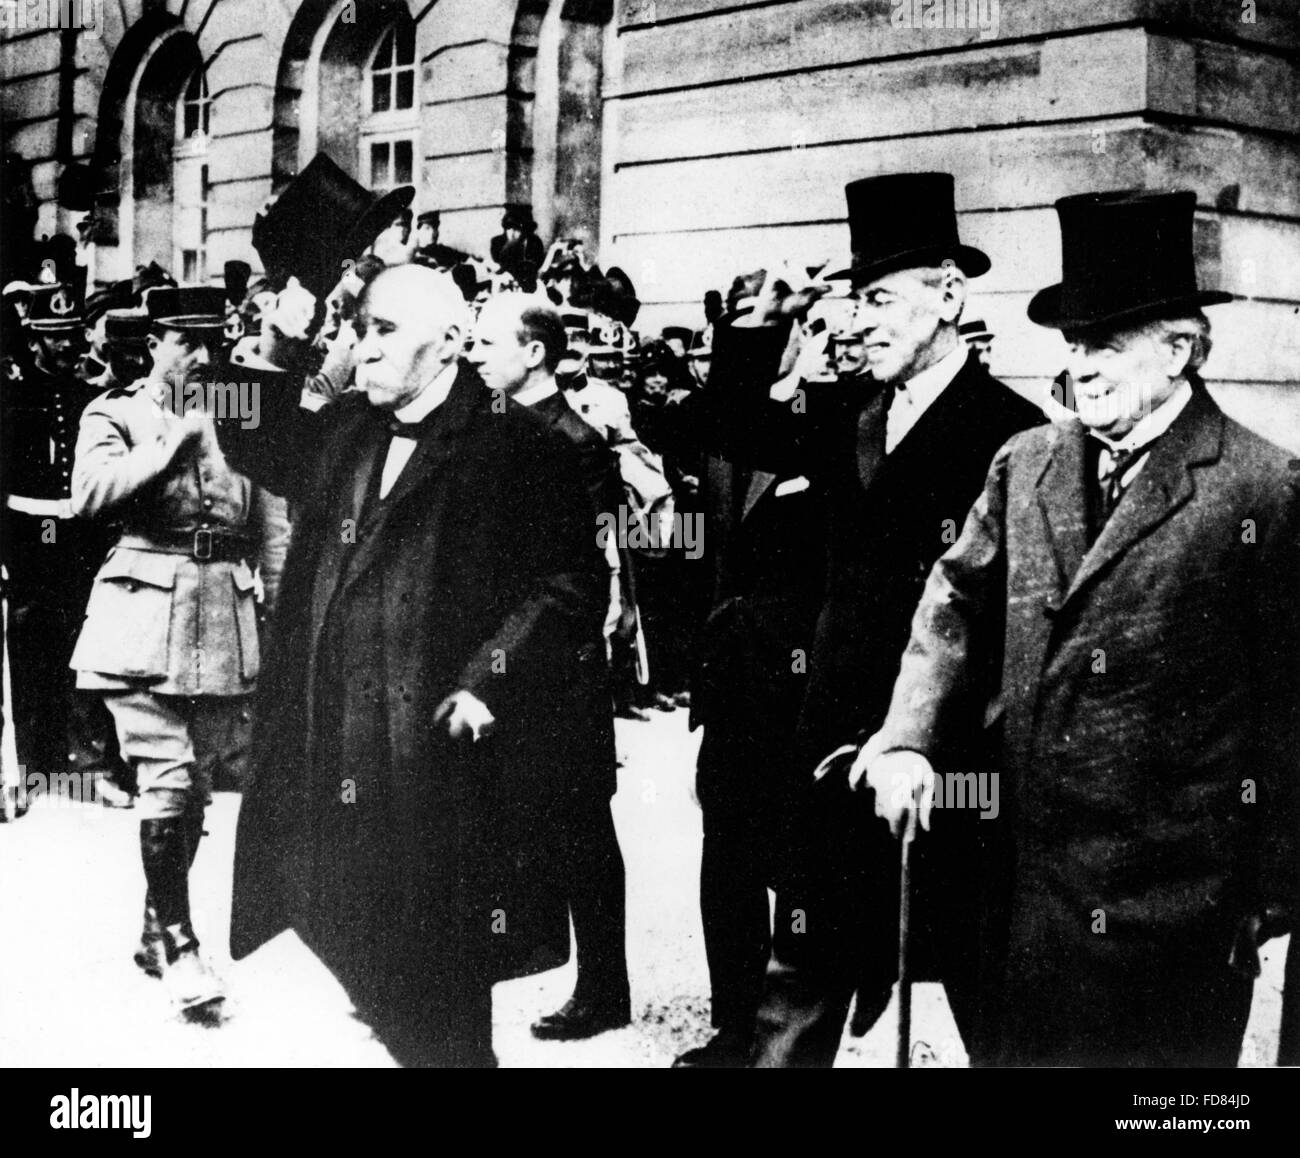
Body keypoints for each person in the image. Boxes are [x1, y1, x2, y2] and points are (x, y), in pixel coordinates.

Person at [857, 189, 1299, 1067]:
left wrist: (1267, 894)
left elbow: (1292, 709)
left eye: (1106, 342)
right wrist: (909, 737)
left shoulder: (1262, 489)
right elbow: (955, 603)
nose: (1080, 366)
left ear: (1181, 350)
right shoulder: (1027, 463)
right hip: (1025, 897)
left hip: (1177, 916)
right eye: (1071, 344)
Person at [698, 173, 1043, 1067]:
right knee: (798, 985)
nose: (858, 319)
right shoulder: (853, 414)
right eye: (854, 299)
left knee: (988, 998)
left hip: (945, 775)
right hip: (828, 761)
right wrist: (754, 323)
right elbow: (723, 425)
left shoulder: (1016, 434)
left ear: (950, 297)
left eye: (881, 298)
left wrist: (933, 745)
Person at [228, 265, 607, 1067]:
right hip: (333, 746)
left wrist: (488, 679)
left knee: (444, 968)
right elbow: (246, 430)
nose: (362, 350)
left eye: (385, 332)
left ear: (450, 344)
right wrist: (281, 337)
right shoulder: (349, 428)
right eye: (359, 331)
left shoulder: (517, 442)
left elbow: (570, 584)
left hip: (437, 756)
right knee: (335, 918)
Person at [69, 285, 277, 1012]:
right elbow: (89, 495)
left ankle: (155, 926)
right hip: (142, 615)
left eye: (210, 343)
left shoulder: (239, 410)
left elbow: (270, 512)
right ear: (153, 343)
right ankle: (184, 948)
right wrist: (170, 443)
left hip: (224, 613)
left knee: (197, 789)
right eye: (185, 343)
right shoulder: (116, 412)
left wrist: (277, 612)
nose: (200, 357)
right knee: (167, 776)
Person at [469, 293, 633, 1040]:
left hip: (557, 669)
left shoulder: (577, 442)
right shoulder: (488, 428)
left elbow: (586, 569)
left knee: (580, 827)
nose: (475, 354)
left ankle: (604, 988)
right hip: (496, 655)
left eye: (488, 342)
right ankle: (507, 953)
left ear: (534, 352)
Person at [2, 283, 129, 808]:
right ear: (34, 341)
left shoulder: (90, 399)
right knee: (31, 645)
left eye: (73, 335)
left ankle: (86, 764)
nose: (70, 346)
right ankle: (32, 766)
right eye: (56, 339)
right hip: (27, 536)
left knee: (82, 641)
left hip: (78, 535)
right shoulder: (10, 397)